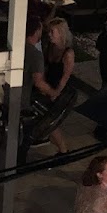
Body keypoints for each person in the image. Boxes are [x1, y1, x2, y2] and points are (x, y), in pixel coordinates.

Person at [42, 18, 76, 154]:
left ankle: (63, 150)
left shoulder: (68, 53)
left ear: (61, 33)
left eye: (52, 32)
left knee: (50, 120)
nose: (49, 35)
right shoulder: (50, 47)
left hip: (61, 89)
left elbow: (65, 76)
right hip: (49, 85)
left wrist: (56, 93)